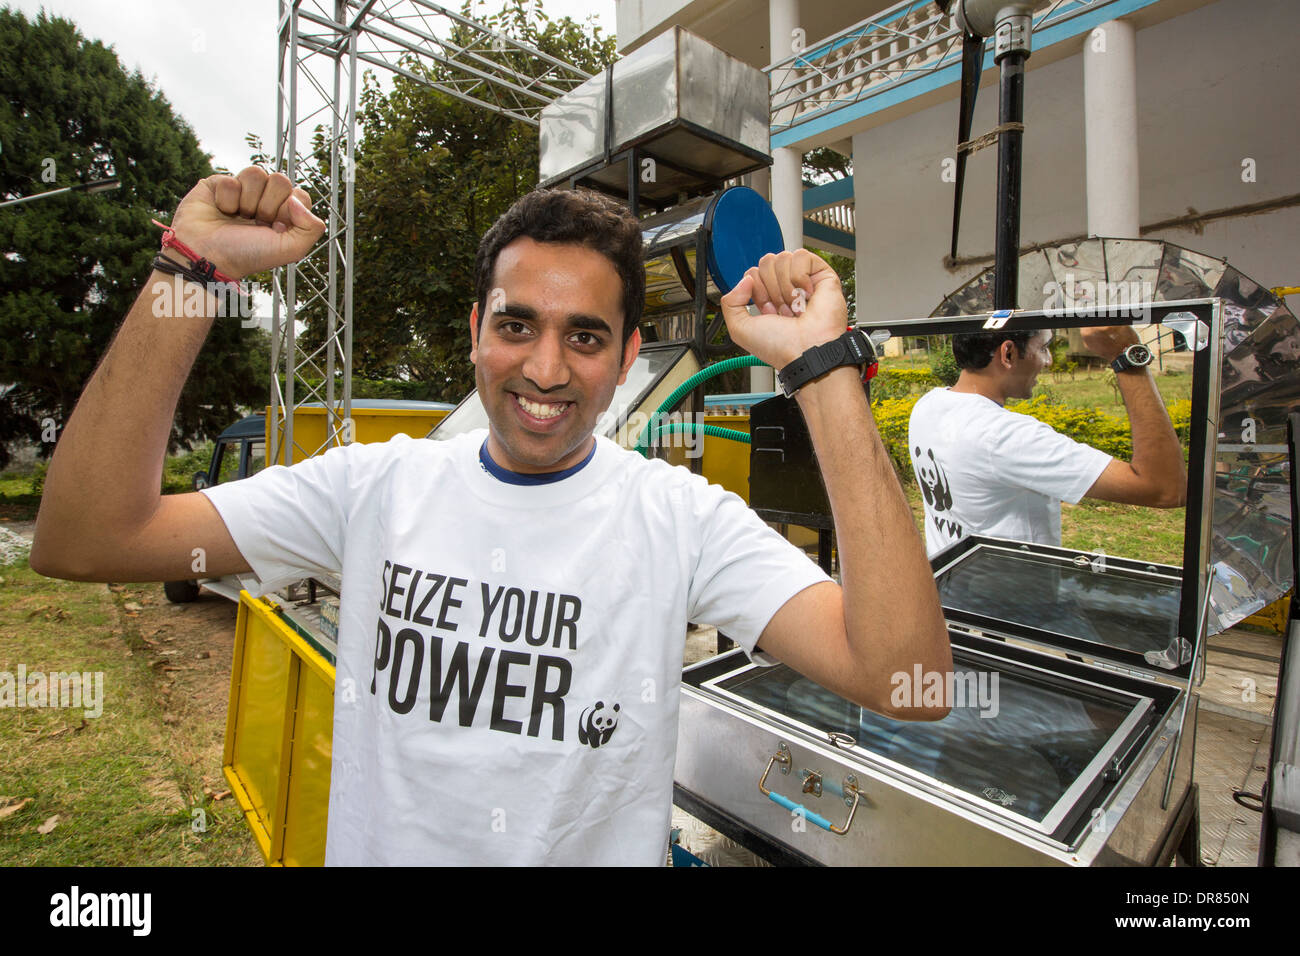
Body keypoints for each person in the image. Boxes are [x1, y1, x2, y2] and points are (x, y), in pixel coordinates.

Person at [32, 167, 952, 865]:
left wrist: (820, 366)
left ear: (629, 354)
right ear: (477, 330)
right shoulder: (371, 489)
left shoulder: (680, 519)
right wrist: (191, 274)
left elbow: (905, 675)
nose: (546, 369)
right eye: (517, 325)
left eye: (585, 336)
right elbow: (86, 537)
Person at [909, 327, 1186, 557]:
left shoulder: (928, 404)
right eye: (1043, 348)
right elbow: (1164, 489)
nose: (1049, 360)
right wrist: (1126, 356)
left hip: (953, 591)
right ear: (1008, 353)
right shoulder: (1007, 436)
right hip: (1014, 610)